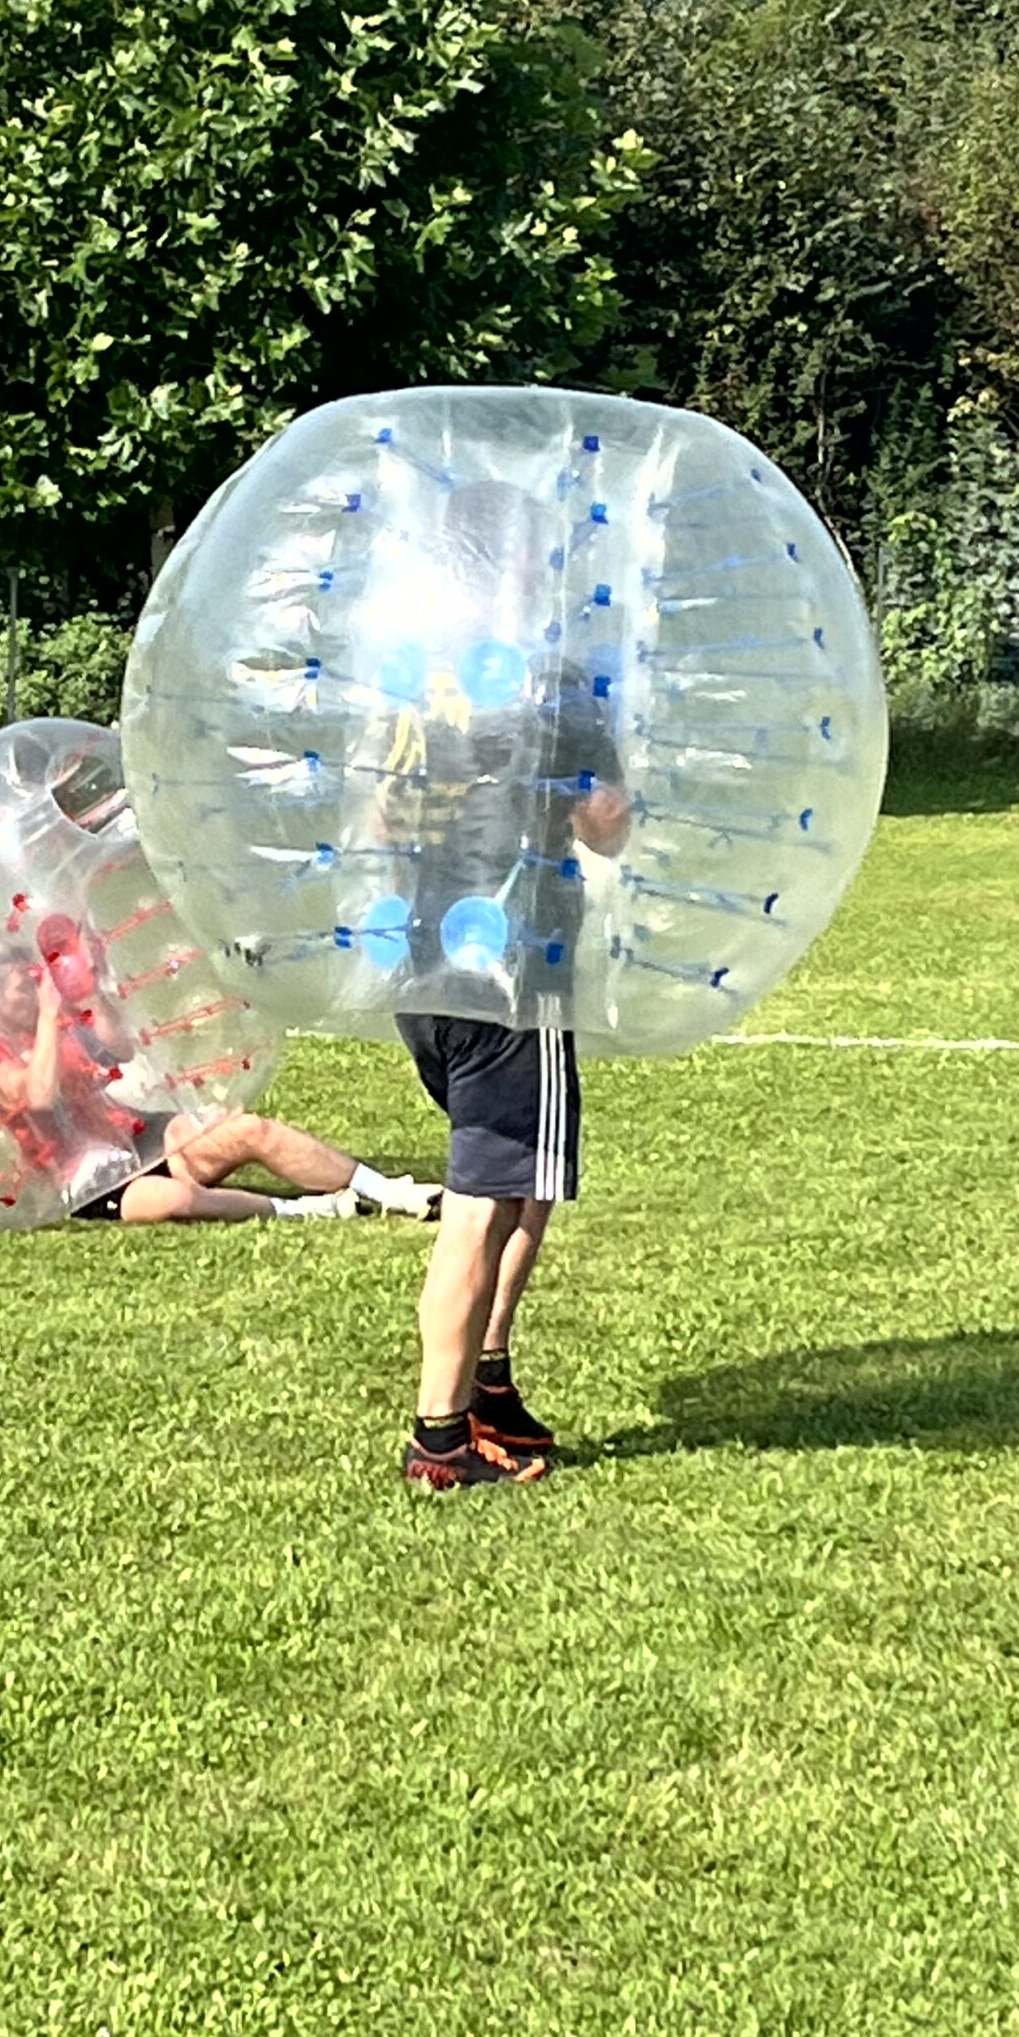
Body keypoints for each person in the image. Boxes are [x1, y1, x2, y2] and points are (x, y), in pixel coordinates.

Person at [379, 487, 636, 1488]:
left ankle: (486, 1382)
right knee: (484, 1205)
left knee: (523, 1183)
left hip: (420, 963)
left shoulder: (412, 682)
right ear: (516, 571)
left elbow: (378, 815)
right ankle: (438, 1439)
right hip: (513, 977)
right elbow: (597, 827)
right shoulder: (555, 683)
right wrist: (612, 810)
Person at [0, 946, 440, 1226]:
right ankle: (303, 1208)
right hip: (85, 1185)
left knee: (248, 1130)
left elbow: (118, 1049)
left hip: (137, 1139)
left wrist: (91, 988)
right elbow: (39, 1095)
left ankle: (391, 1192)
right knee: (172, 1202)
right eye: (21, 989)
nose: (35, 994)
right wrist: (52, 1017)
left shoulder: (46, 1026)